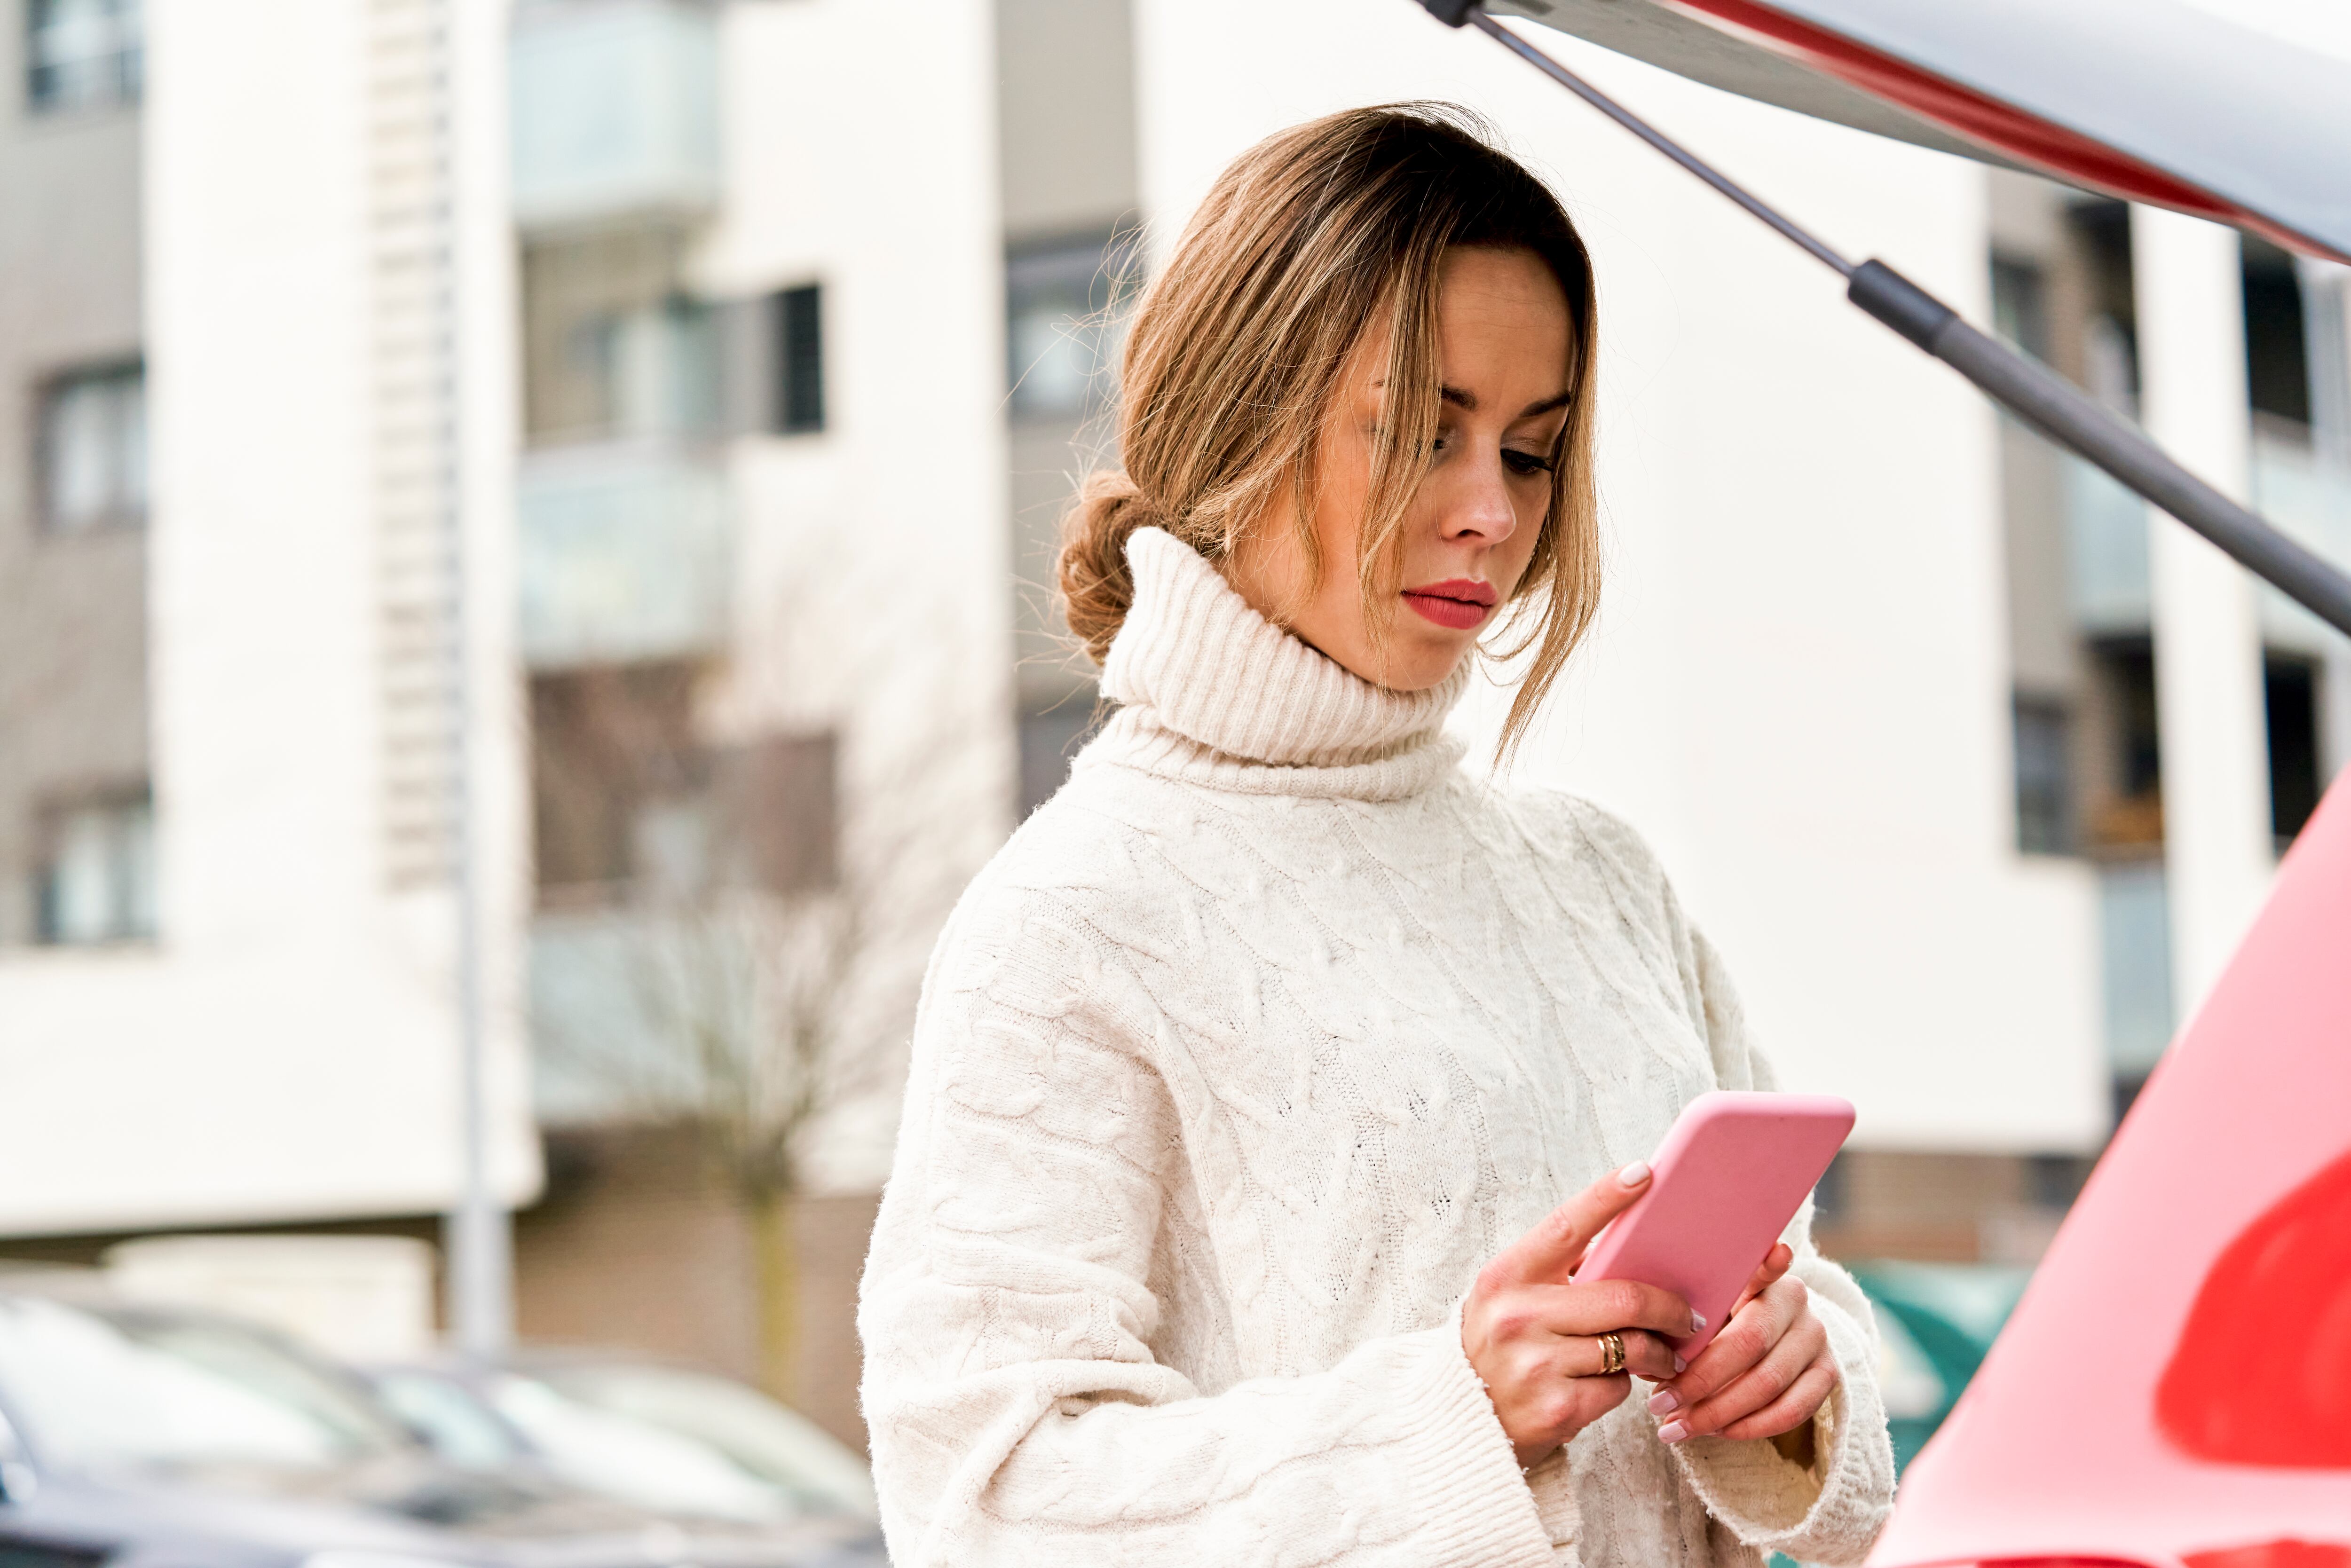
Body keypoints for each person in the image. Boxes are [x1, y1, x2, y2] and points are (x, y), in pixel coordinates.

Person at [857, 103, 1895, 1567]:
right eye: (1426, 433)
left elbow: (1830, 1386)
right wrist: (1457, 1421)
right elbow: (987, 1501)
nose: (1488, 513)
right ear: (1242, 415)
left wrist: (1796, 1388)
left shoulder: (1601, 878)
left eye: (1532, 455)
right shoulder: (1072, 918)